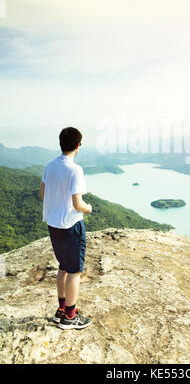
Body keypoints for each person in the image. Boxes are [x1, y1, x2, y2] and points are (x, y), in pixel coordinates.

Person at [39, 127, 93, 330]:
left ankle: (61, 310)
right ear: (78, 145)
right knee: (74, 271)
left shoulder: (49, 166)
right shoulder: (75, 170)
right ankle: (70, 317)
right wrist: (88, 209)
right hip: (71, 226)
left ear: (61, 143)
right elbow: (78, 204)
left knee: (63, 266)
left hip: (53, 225)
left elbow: (42, 194)